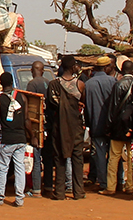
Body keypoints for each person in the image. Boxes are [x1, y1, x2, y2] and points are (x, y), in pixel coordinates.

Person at [0, 72, 32, 207]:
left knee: (2, 169)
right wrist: (32, 136)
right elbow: (27, 119)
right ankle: (19, 199)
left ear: (0, 84)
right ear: (12, 82)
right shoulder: (22, 97)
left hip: (6, 139)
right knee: (19, 168)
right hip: (21, 139)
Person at [45, 55, 86, 200]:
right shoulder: (80, 85)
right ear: (73, 67)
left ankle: (59, 192)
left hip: (59, 125)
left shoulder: (53, 84)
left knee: (59, 159)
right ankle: (79, 192)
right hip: (75, 127)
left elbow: (50, 105)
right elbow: (81, 103)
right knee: (77, 159)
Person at [101, 61, 133, 195]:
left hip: (118, 127)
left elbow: (113, 108)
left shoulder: (119, 85)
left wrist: (108, 126)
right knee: (131, 158)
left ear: (121, 70)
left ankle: (111, 187)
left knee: (113, 158)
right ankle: (130, 186)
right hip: (132, 127)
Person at [83, 56, 116, 191]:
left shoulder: (89, 84)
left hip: (96, 125)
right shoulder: (113, 81)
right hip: (112, 126)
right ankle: (116, 182)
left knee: (100, 155)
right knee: (114, 155)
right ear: (107, 67)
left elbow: (86, 107)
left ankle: (103, 183)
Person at [23, 61, 49, 197]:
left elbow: (31, 109)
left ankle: (37, 189)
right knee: (48, 158)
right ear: (43, 70)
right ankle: (49, 186)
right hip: (48, 124)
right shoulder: (48, 82)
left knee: (36, 159)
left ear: (32, 70)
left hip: (38, 126)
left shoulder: (32, 84)